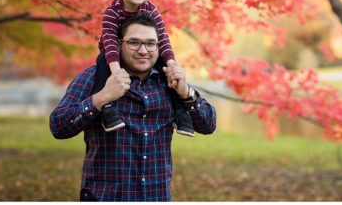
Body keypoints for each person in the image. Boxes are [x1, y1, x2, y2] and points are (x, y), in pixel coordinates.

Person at [50, 14, 217, 201]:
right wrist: (102, 97)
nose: (143, 50)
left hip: (156, 197)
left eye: (151, 43)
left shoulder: (169, 83)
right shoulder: (94, 78)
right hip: (106, 197)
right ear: (119, 44)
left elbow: (208, 125)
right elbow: (58, 126)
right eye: (134, 43)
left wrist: (186, 93)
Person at [95, 0, 193, 136]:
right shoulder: (113, 11)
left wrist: (171, 63)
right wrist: (116, 70)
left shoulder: (151, 10)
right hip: (113, 53)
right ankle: (107, 109)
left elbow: (162, 37)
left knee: (166, 71)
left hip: (143, 52)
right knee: (101, 66)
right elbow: (109, 40)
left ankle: (181, 112)